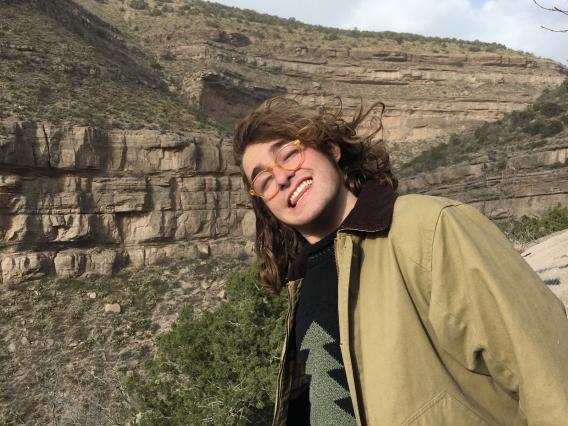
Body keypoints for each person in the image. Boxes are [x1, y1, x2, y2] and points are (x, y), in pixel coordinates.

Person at [232, 97, 568, 426]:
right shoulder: (301, 287)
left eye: (289, 154)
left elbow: (545, 372)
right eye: (263, 181)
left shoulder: (430, 227)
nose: (280, 177)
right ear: (266, 206)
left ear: (331, 148)